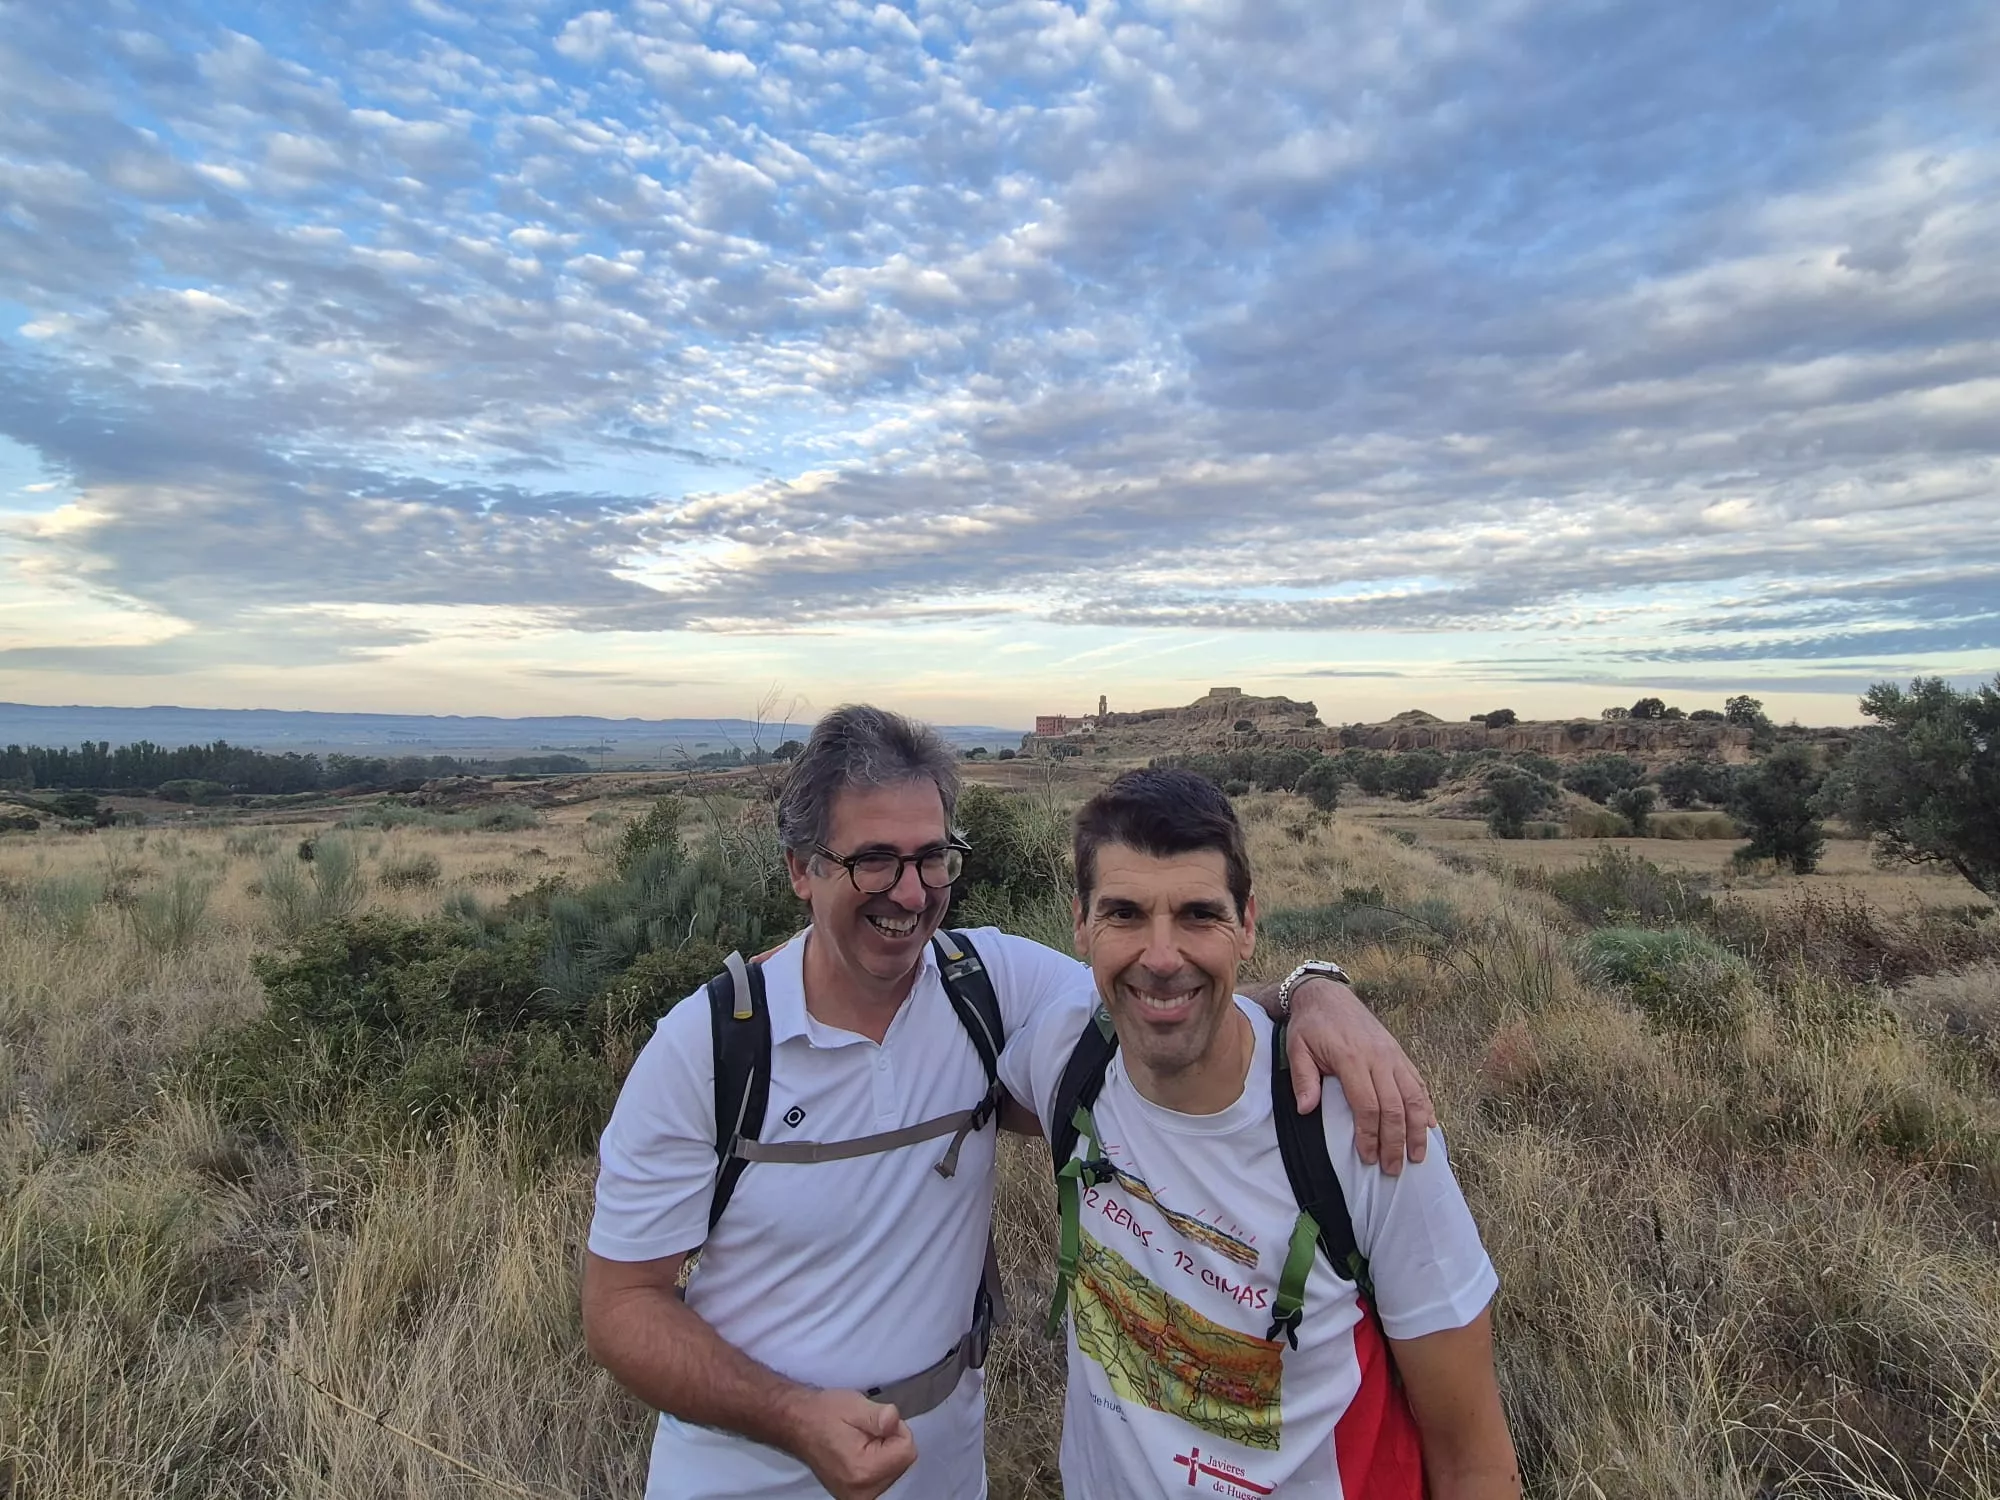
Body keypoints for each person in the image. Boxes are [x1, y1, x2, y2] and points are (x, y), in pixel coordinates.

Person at [581, 706, 1436, 1500]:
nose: (910, 893)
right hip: (743, 1476)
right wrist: (792, 1419)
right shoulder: (708, 1049)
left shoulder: (986, 986)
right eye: (872, 859)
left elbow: (1161, 997)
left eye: (930, 857)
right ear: (802, 871)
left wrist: (1313, 989)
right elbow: (622, 1308)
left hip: (944, 1470)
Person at [1000, 768, 1518, 1498]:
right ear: (1080, 924)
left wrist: (1315, 985)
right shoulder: (1064, 1052)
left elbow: (1476, 1463)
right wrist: (790, 976)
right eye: (1124, 913)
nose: (1159, 955)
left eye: (1197, 915)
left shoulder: (1362, 1131)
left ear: (1247, 925)